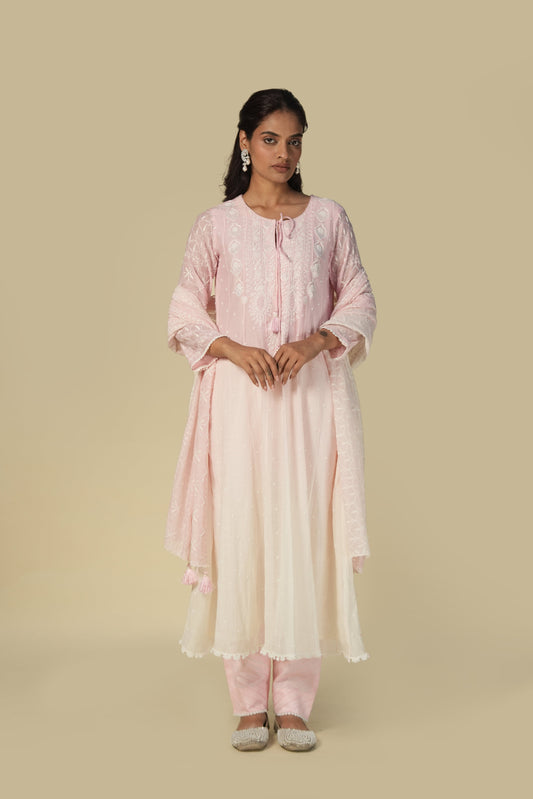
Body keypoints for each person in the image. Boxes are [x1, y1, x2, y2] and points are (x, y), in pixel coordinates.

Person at [165, 88, 377, 752]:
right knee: (244, 532)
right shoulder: (217, 225)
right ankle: (248, 701)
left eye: (293, 141)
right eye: (269, 139)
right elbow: (182, 310)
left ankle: (293, 702)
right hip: (239, 404)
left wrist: (315, 341)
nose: (282, 153)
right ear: (243, 141)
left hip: (311, 404)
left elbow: (360, 299)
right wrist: (232, 347)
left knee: (301, 536)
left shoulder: (328, 218)